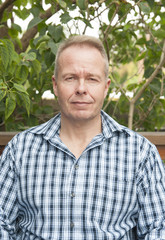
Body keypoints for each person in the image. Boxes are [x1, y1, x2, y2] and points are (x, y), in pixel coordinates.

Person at [0, 35, 165, 240]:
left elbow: (157, 230)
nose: (81, 88)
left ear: (106, 86)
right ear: (55, 84)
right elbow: (2, 224)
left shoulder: (140, 154)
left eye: (91, 79)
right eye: (70, 78)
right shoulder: (21, 149)